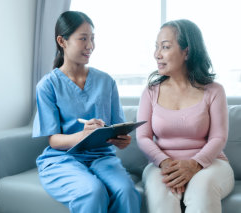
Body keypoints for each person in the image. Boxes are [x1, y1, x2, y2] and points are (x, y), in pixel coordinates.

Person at [32, 11, 141, 213]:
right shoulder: (48, 85)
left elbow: (117, 128)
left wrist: (122, 140)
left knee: (127, 192)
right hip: (63, 159)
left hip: (102, 157)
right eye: (83, 39)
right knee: (92, 191)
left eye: (92, 38)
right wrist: (82, 135)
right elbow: (53, 140)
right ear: (62, 41)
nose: (90, 45)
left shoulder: (106, 82)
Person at [136, 19, 234, 213]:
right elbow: (143, 137)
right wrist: (165, 163)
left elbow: (218, 138)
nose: (157, 54)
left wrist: (194, 164)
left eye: (165, 47)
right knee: (160, 192)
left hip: (210, 164)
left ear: (186, 52)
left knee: (202, 189)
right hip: (161, 166)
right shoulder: (150, 92)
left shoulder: (214, 91)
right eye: (156, 47)